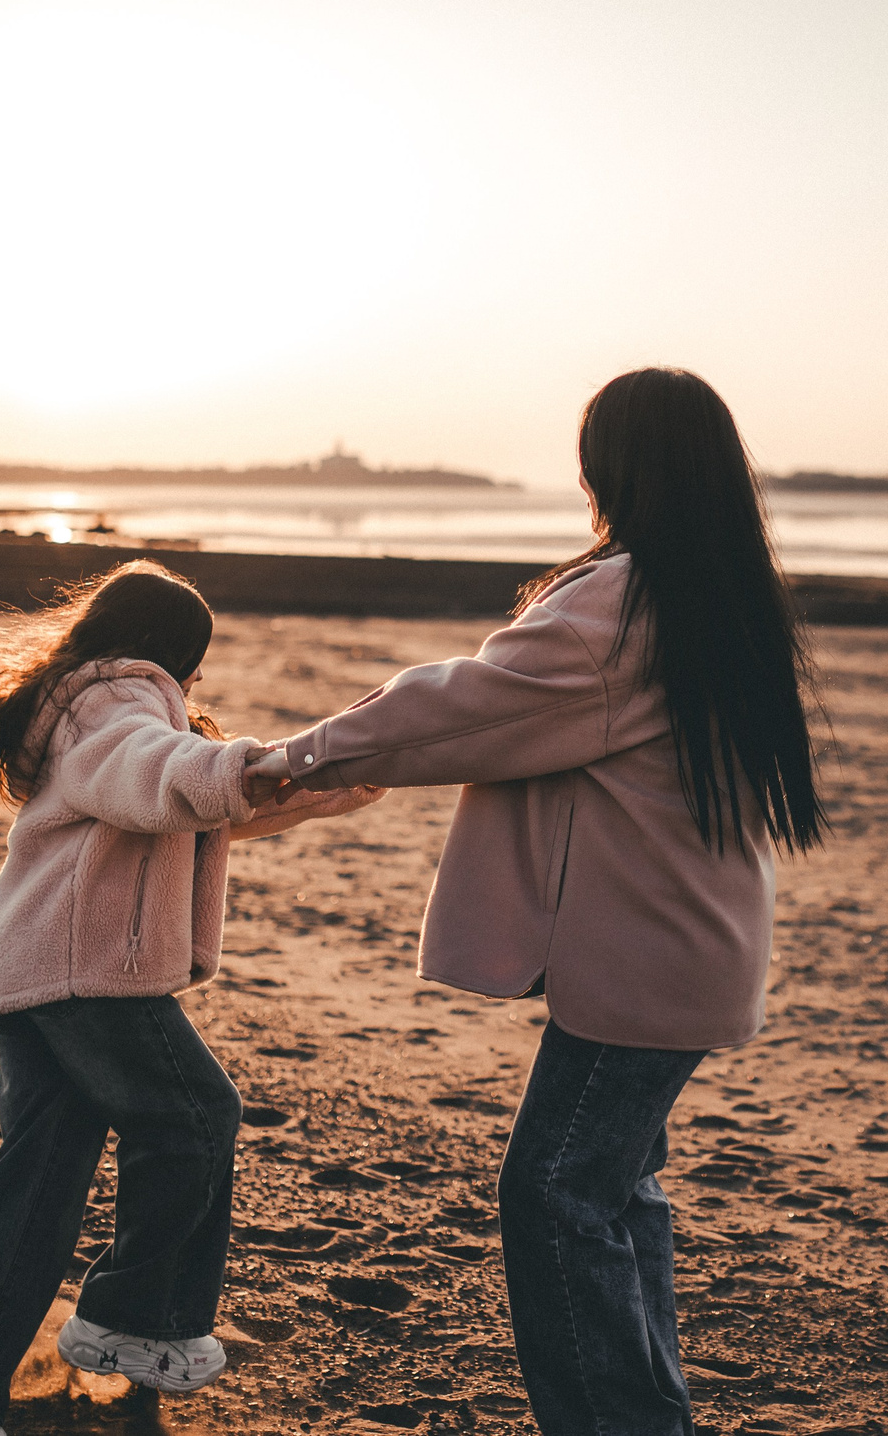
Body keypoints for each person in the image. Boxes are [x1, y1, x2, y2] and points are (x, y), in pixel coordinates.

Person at [250, 367, 825, 1436]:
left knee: (553, 1194)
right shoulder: (719, 592)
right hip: (689, 941)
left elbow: (464, 707)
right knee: (612, 1189)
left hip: (647, 955)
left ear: (608, 469)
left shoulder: (624, 600)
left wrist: (299, 756)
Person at [0, 561, 382, 1436]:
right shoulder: (109, 703)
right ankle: (135, 1320)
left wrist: (336, 766)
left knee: (39, 1178)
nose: (192, 686)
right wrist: (245, 761)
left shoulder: (99, 712)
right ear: (166, 654)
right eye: (193, 667)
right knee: (197, 1113)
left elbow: (196, 796)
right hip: (85, 974)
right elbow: (153, 765)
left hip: (38, 976)